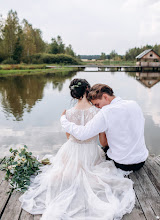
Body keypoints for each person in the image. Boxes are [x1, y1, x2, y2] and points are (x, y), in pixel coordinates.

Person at [19, 79, 135, 220]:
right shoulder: (99, 112)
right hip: (91, 153)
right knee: (99, 172)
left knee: (61, 172)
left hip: (70, 152)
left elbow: (70, 138)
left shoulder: (67, 114)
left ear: (74, 95)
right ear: (88, 89)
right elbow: (103, 142)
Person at [61, 83, 148, 172]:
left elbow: (82, 134)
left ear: (105, 97)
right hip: (141, 161)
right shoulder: (134, 104)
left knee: (102, 151)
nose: (98, 107)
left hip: (122, 164)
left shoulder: (105, 112)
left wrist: (63, 120)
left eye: (97, 104)